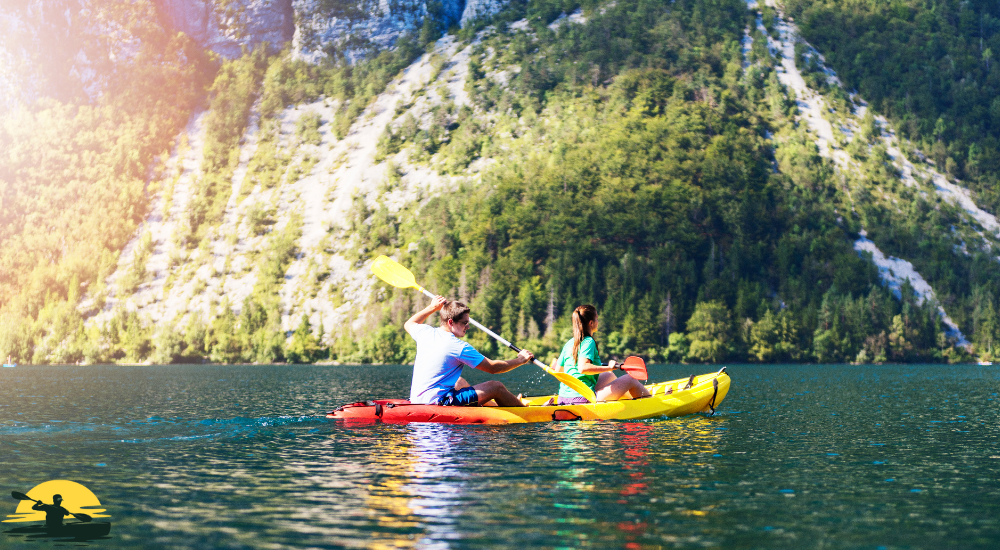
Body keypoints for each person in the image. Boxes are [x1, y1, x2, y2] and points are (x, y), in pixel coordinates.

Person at [405, 295, 534, 407]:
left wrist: (432, 307)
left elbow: (409, 323)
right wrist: (520, 360)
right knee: (496, 387)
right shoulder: (458, 346)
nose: (468, 326)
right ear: (451, 322)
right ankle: (522, 408)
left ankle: (496, 404)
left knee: (458, 381)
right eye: (464, 323)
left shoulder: (425, 332)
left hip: (418, 399)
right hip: (440, 402)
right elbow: (493, 368)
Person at [555, 304, 651, 405]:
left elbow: (558, 371)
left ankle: (629, 401)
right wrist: (609, 367)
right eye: (597, 319)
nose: (598, 321)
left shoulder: (570, 342)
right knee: (630, 379)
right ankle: (652, 405)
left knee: (608, 376)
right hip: (582, 400)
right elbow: (583, 368)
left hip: (563, 399)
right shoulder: (588, 341)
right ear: (591, 323)